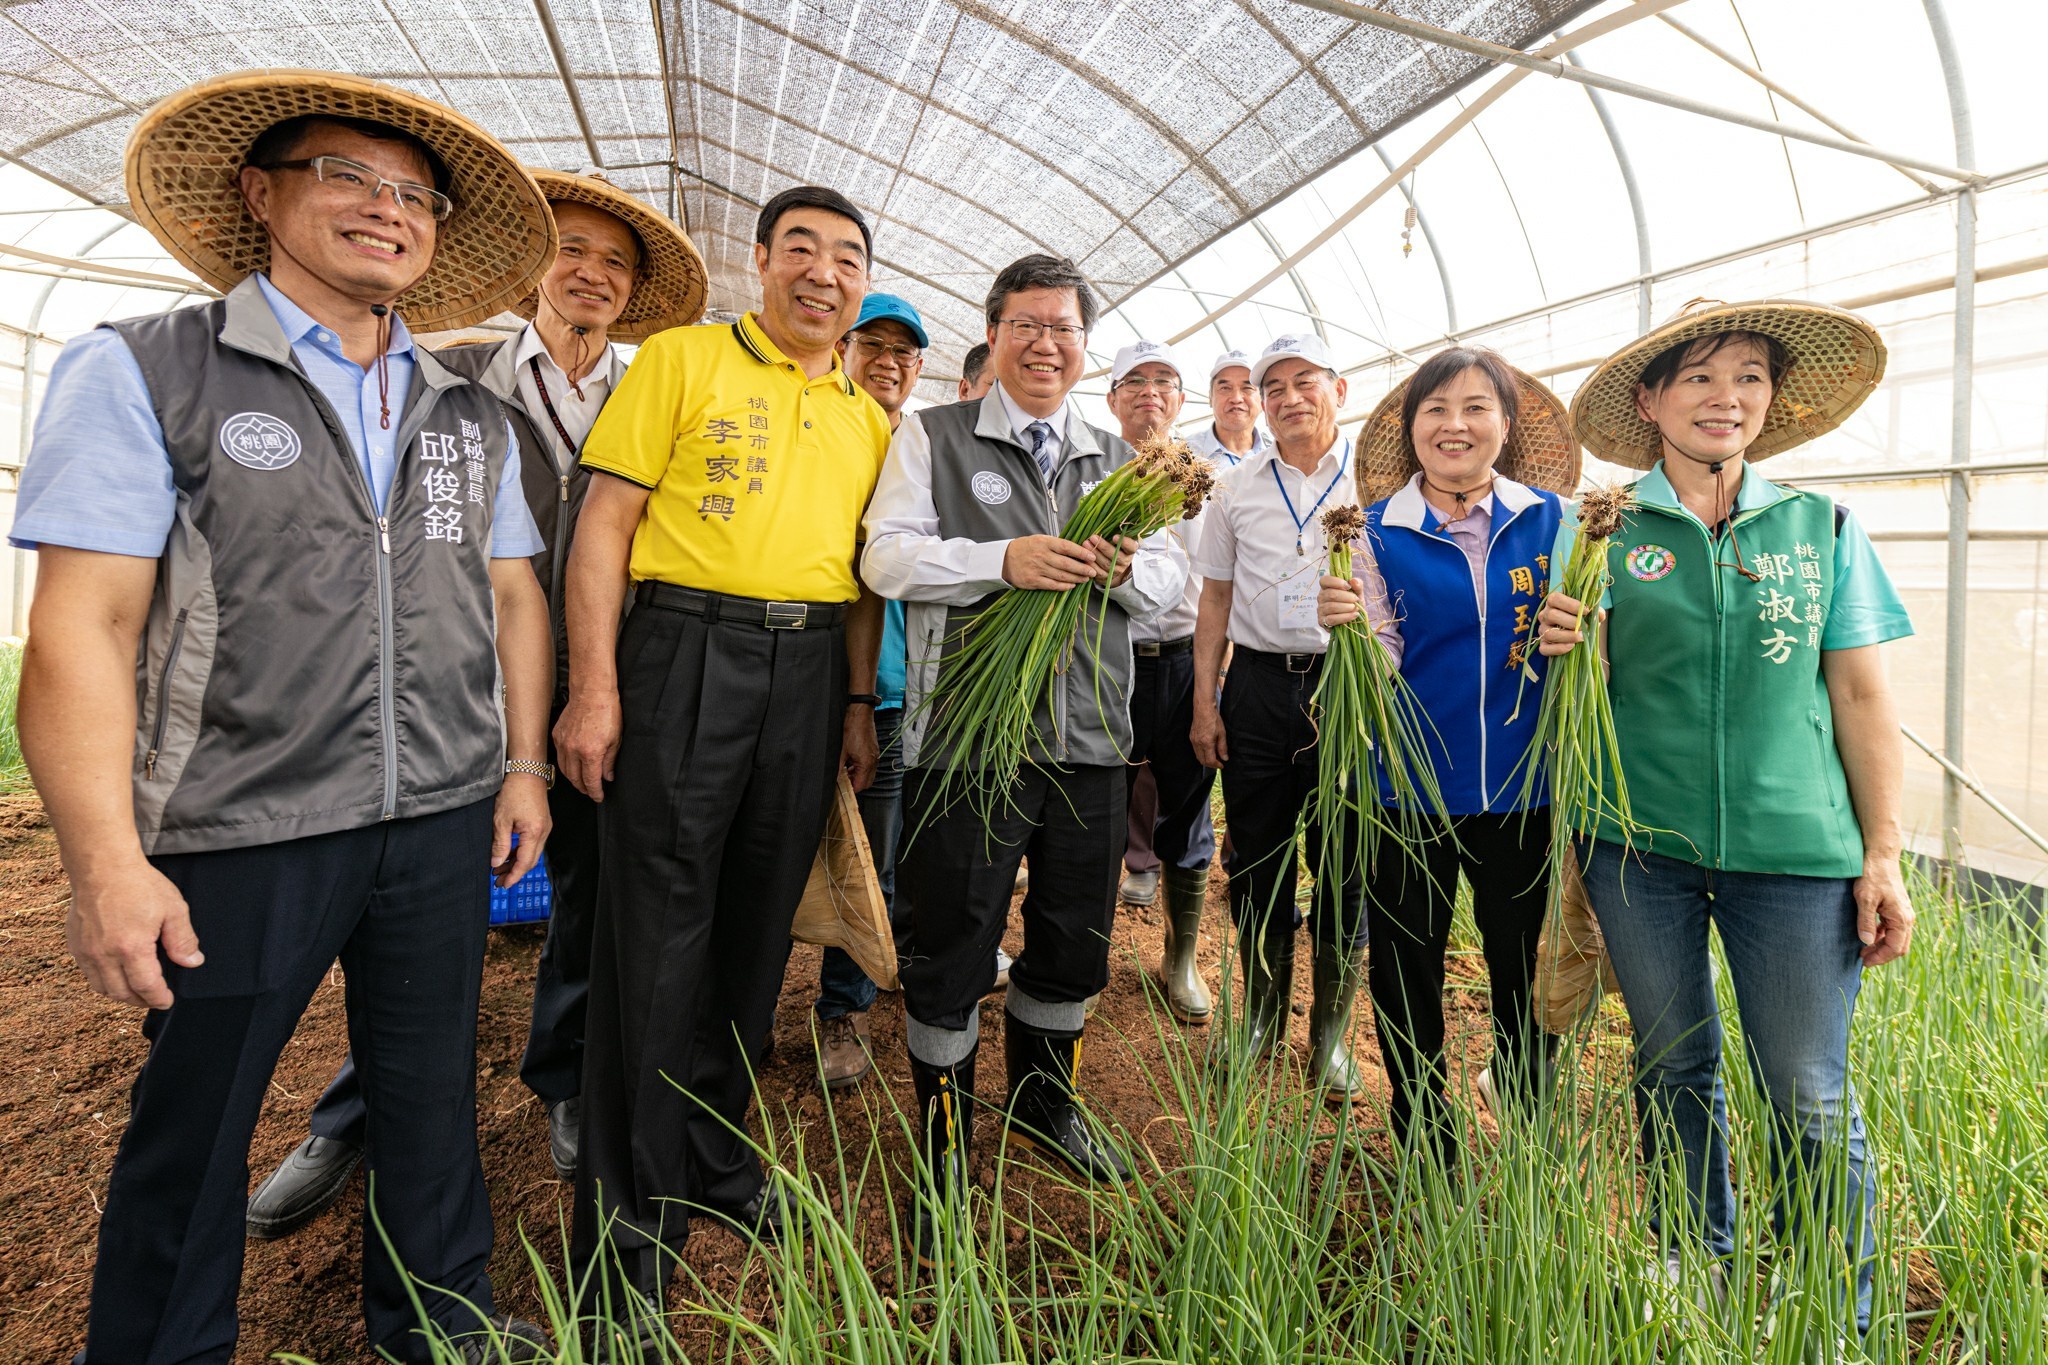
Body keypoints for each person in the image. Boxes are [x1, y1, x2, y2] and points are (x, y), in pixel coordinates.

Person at [12, 72, 559, 1362]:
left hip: (435, 812)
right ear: (260, 195)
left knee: (429, 1099)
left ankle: (440, 1326)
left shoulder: (467, 411)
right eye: (347, 176)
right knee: (196, 1120)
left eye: (413, 195)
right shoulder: (146, 369)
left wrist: (520, 766)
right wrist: (104, 864)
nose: (386, 210)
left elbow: (511, 594)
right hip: (240, 819)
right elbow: (80, 629)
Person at [245, 170, 708, 1232]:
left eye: (615, 263)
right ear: (534, 265)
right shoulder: (449, 371)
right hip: (452, 681)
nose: (591, 274)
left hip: (609, 682)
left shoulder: (657, 391)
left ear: (633, 292)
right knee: (416, 906)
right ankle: (355, 1114)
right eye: (573, 251)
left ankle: (560, 1082)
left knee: (589, 896)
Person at [1536, 299, 1913, 1332]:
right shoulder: (1599, 529)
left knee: (1804, 1087)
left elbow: (1860, 698)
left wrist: (1879, 853)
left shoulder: (1820, 526)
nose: (1725, 397)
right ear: (1650, 401)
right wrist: (1563, 643)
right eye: (1698, 377)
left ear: (1769, 401)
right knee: (1670, 1064)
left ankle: (1826, 1293)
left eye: (1746, 375)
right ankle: (1686, 1249)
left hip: (1794, 853)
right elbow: (1584, 697)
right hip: (1638, 848)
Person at [555, 184, 889, 1320]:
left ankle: (715, 1159)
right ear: (760, 262)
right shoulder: (681, 364)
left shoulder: (864, 414)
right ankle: (627, 1219)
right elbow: (602, 523)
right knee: (654, 933)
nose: (823, 273)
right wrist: (593, 688)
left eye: (846, 257)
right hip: (681, 652)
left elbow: (858, 576)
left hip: (804, 683)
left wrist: (853, 701)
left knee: (755, 932)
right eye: (801, 248)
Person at [863, 254, 1187, 1262]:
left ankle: (1047, 1101)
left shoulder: (1120, 459)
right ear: (994, 335)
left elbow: (1172, 588)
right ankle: (946, 1138)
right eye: (1026, 325)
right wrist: (995, 561)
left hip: (1090, 741)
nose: (1046, 343)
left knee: (1070, 938)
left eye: (1064, 328)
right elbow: (883, 554)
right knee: (955, 940)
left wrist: (1130, 569)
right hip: (967, 740)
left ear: (1083, 347)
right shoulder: (933, 437)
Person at [1316, 346, 1577, 1159]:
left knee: (1522, 970)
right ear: (1411, 427)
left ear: (1507, 424)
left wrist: (1587, 637)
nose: (1455, 424)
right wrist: (1346, 632)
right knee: (1406, 967)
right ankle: (1424, 1132)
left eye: (1475, 408)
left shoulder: (1556, 522)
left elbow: (1599, 656)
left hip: (1523, 788)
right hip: (1405, 788)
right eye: (1435, 409)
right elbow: (1381, 658)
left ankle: (1529, 1117)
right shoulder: (1377, 533)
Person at [1191, 333, 1369, 1102]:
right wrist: (1206, 698)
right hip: (1260, 687)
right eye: (1274, 388)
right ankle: (1261, 1015)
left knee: (1345, 860)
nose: (1289, 397)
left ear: (1340, 389)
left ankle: (1329, 1034)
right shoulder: (1237, 487)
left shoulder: (1382, 477)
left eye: (1306, 382)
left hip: (1351, 686)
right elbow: (1215, 599)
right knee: (1258, 857)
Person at [814, 290, 927, 1088]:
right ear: (845, 349)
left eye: (904, 352)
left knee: (888, 853)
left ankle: (861, 992)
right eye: (873, 346)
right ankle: (826, 1010)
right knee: (824, 852)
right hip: (834, 685)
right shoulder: (828, 431)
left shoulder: (923, 446)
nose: (887, 362)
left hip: (911, 692)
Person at [1103, 341, 1221, 1023]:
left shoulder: (1207, 482)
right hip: (1107, 659)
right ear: (1112, 396)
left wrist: (1215, 679)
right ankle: (1085, 955)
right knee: (1095, 810)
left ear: (1182, 399)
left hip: (1182, 662)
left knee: (1189, 805)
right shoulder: (1094, 470)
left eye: (1166, 382)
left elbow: (1219, 588)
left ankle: (1179, 961)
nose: (1151, 392)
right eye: (1135, 381)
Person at [1186, 348, 1268, 466]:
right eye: (1225, 388)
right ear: (1210, 398)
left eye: (1247, 388)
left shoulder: (1279, 454)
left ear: (1262, 399)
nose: (1236, 398)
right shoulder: (1183, 454)